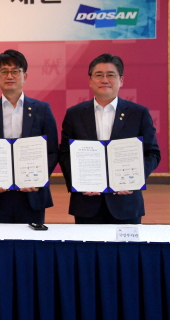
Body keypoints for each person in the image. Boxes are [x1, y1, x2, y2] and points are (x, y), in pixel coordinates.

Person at [59, 54, 160, 224]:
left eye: (111, 75)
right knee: (88, 243)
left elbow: (152, 153)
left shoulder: (138, 113)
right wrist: (79, 183)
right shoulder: (74, 114)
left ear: (121, 80)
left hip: (126, 203)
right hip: (87, 202)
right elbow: (65, 154)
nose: (104, 80)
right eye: (98, 75)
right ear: (90, 80)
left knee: (126, 243)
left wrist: (134, 179)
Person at [0, 49, 58, 223]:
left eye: (15, 71)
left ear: (25, 76)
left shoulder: (42, 109)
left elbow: (52, 151)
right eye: (4, 71)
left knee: (32, 240)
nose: (9, 76)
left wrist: (38, 179)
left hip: (32, 193)